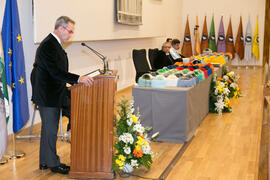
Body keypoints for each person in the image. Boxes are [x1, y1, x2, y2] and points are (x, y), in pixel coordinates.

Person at [31, 16, 93, 175]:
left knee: (47, 130)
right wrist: (77, 79)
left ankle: (44, 162)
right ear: (60, 27)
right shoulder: (48, 45)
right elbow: (55, 72)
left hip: (51, 93)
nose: (71, 35)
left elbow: (57, 72)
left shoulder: (53, 44)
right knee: (51, 130)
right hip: (48, 95)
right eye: (70, 31)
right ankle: (53, 164)